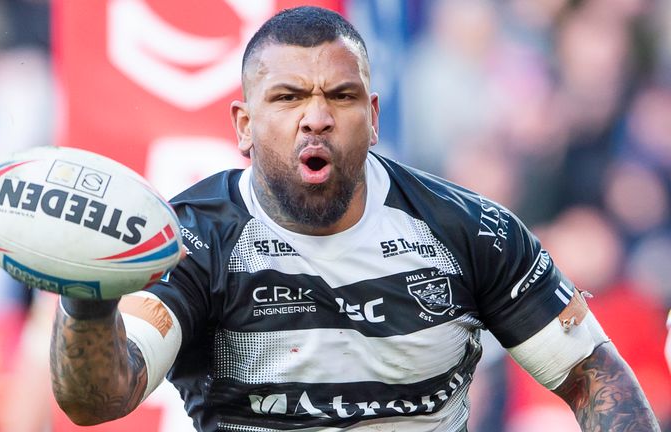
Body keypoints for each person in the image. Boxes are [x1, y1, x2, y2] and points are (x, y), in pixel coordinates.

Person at [48, 6, 659, 432]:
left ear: (372, 115)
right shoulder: (190, 242)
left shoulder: (472, 231)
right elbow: (99, 399)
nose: (315, 118)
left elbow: (588, 373)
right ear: (243, 126)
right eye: (287, 98)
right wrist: (85, 295)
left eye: (339, 97)